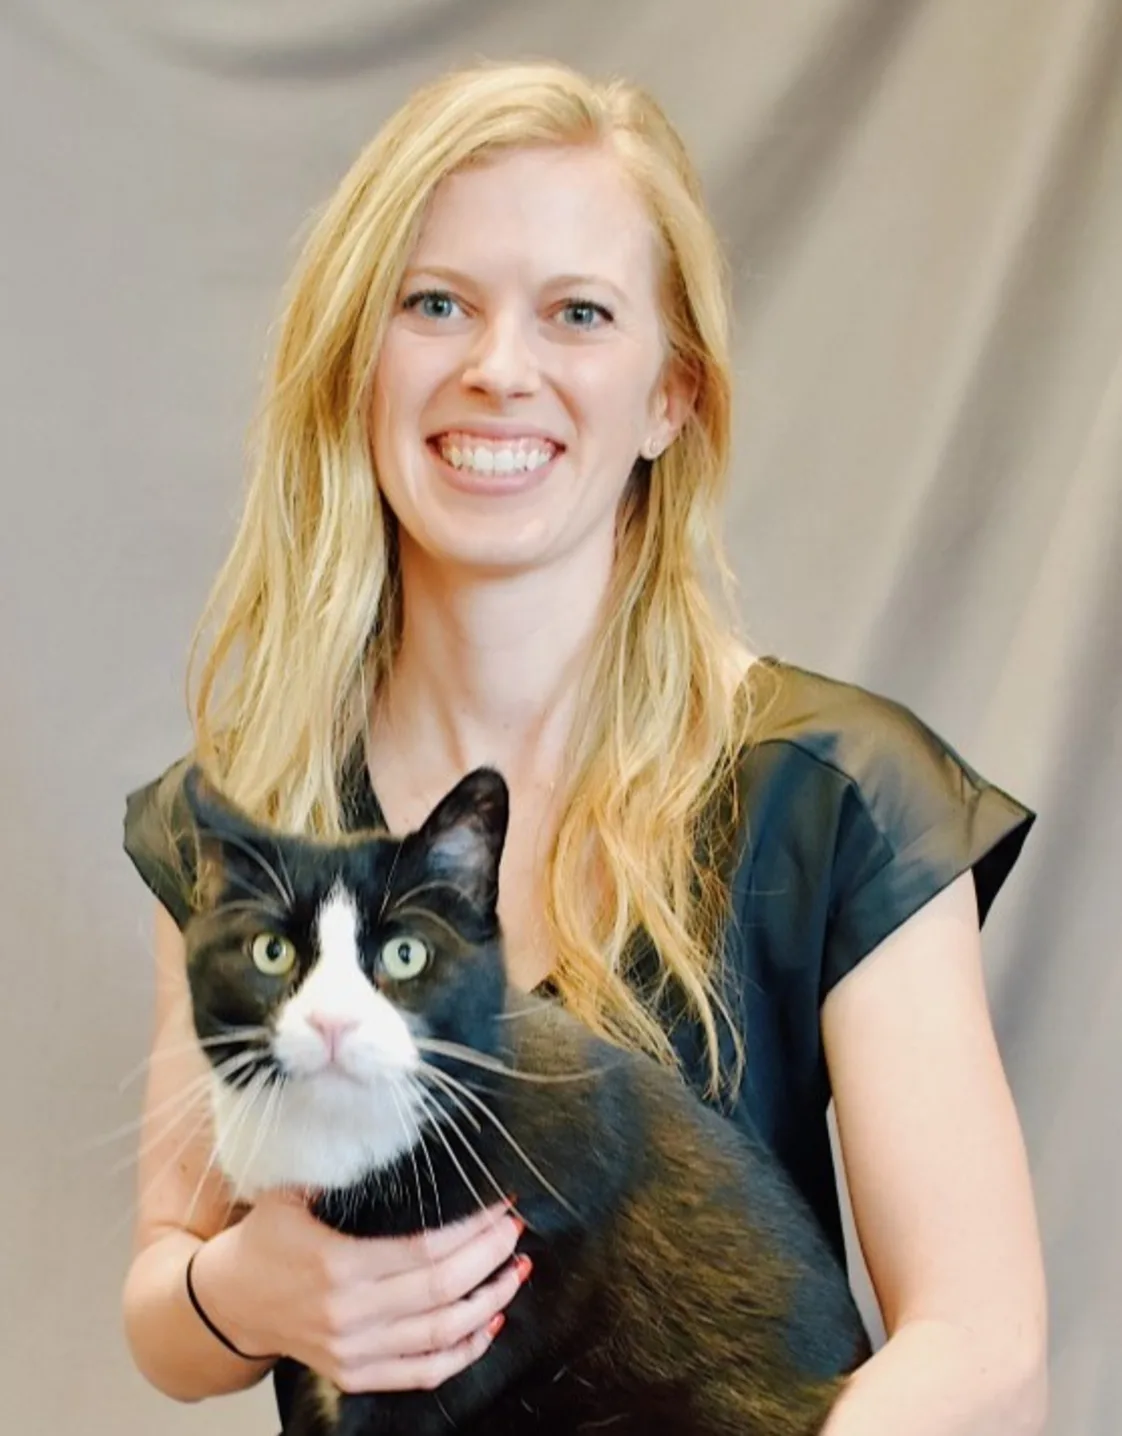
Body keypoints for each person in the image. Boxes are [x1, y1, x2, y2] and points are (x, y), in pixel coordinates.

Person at [121, 59, 1048, 1434]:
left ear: (671, 395)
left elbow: (988, 1355)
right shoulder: (253, 812)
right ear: (357, 361)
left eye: (578, 313)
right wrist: (246, 1294)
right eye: (436, 304)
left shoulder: (842, 798)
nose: (499, 370)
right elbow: (169, 1298)